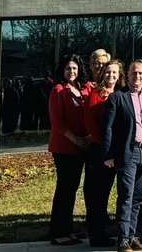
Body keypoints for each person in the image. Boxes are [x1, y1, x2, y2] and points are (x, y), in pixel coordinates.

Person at [102, 59, 142, 252]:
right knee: (126, 196)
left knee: (139, 197)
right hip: (127, 152)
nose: (137, 76)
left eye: (140, 73)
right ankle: (123, 239)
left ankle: (133, 235)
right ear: (127, 75)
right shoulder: (117, 97)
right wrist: (108, 154)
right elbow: (108, 128)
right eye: (133, 73)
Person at [48, 54, 90, 246]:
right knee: (64, 189)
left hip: (80, 147)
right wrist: (75, 139)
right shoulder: (58, 90)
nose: (71, 72)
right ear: (62, 71)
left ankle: (68, 230)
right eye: (68, 69)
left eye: (74, 68)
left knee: (72, 190)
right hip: (65, 147)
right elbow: (57, 121)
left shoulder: (82, 90)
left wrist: (85, 139)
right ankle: (58, 232)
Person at [85, 58, 122, 247]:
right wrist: (105, 147)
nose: (111, 75)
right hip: (100, 151)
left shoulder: (120, 93)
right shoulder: (96, 94)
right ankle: (96, 234)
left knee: (106, 191)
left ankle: (101, 228)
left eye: (114, 72)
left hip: (115, 151)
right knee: (98, 193)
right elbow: (90, 123)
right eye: (108, 72)